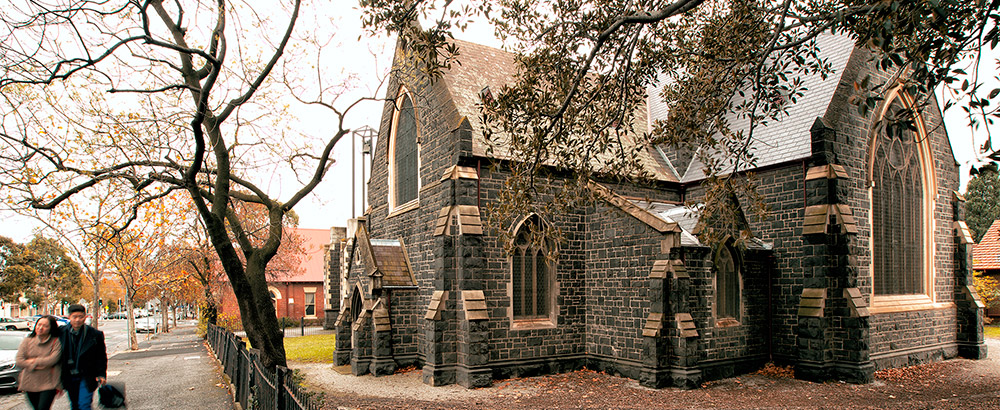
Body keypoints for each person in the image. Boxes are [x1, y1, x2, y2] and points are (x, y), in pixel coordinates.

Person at [59, 304, 107, 410]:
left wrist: (101, 374)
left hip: (87, 375)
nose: (77, 320)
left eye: (80, 317)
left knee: (84, 404)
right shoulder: (61, 332)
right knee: (74, 405)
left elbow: (101, 356)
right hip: (69, 376)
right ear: (69, 317)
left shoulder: (95, 334)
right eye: (74, 317)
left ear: (85, 317)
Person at [15, 315, 62, 410]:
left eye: (45, 326)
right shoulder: (27, 341)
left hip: (49, 382)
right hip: (29, 381)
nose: (40, 328)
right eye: (39, 325)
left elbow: (53, 359)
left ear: (51, 328)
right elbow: (19, 360)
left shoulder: (56, 342)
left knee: (43, 408)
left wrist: (33, 361)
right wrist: (41, 363)